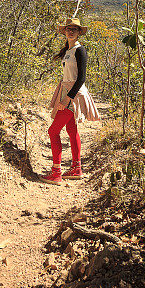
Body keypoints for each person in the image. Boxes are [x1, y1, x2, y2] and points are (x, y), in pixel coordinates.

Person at [41, 18, 101, 185]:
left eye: (75, 29)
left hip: (73, 95)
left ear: (80, 32)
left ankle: (56, 172)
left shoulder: (80, 50)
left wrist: (67, 98)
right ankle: (76, 168)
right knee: (71, 129)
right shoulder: (69, 50)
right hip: (67, 91)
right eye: (69, 28)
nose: (71, 31)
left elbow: (81, 78)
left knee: (53, 131)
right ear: (65, 31)